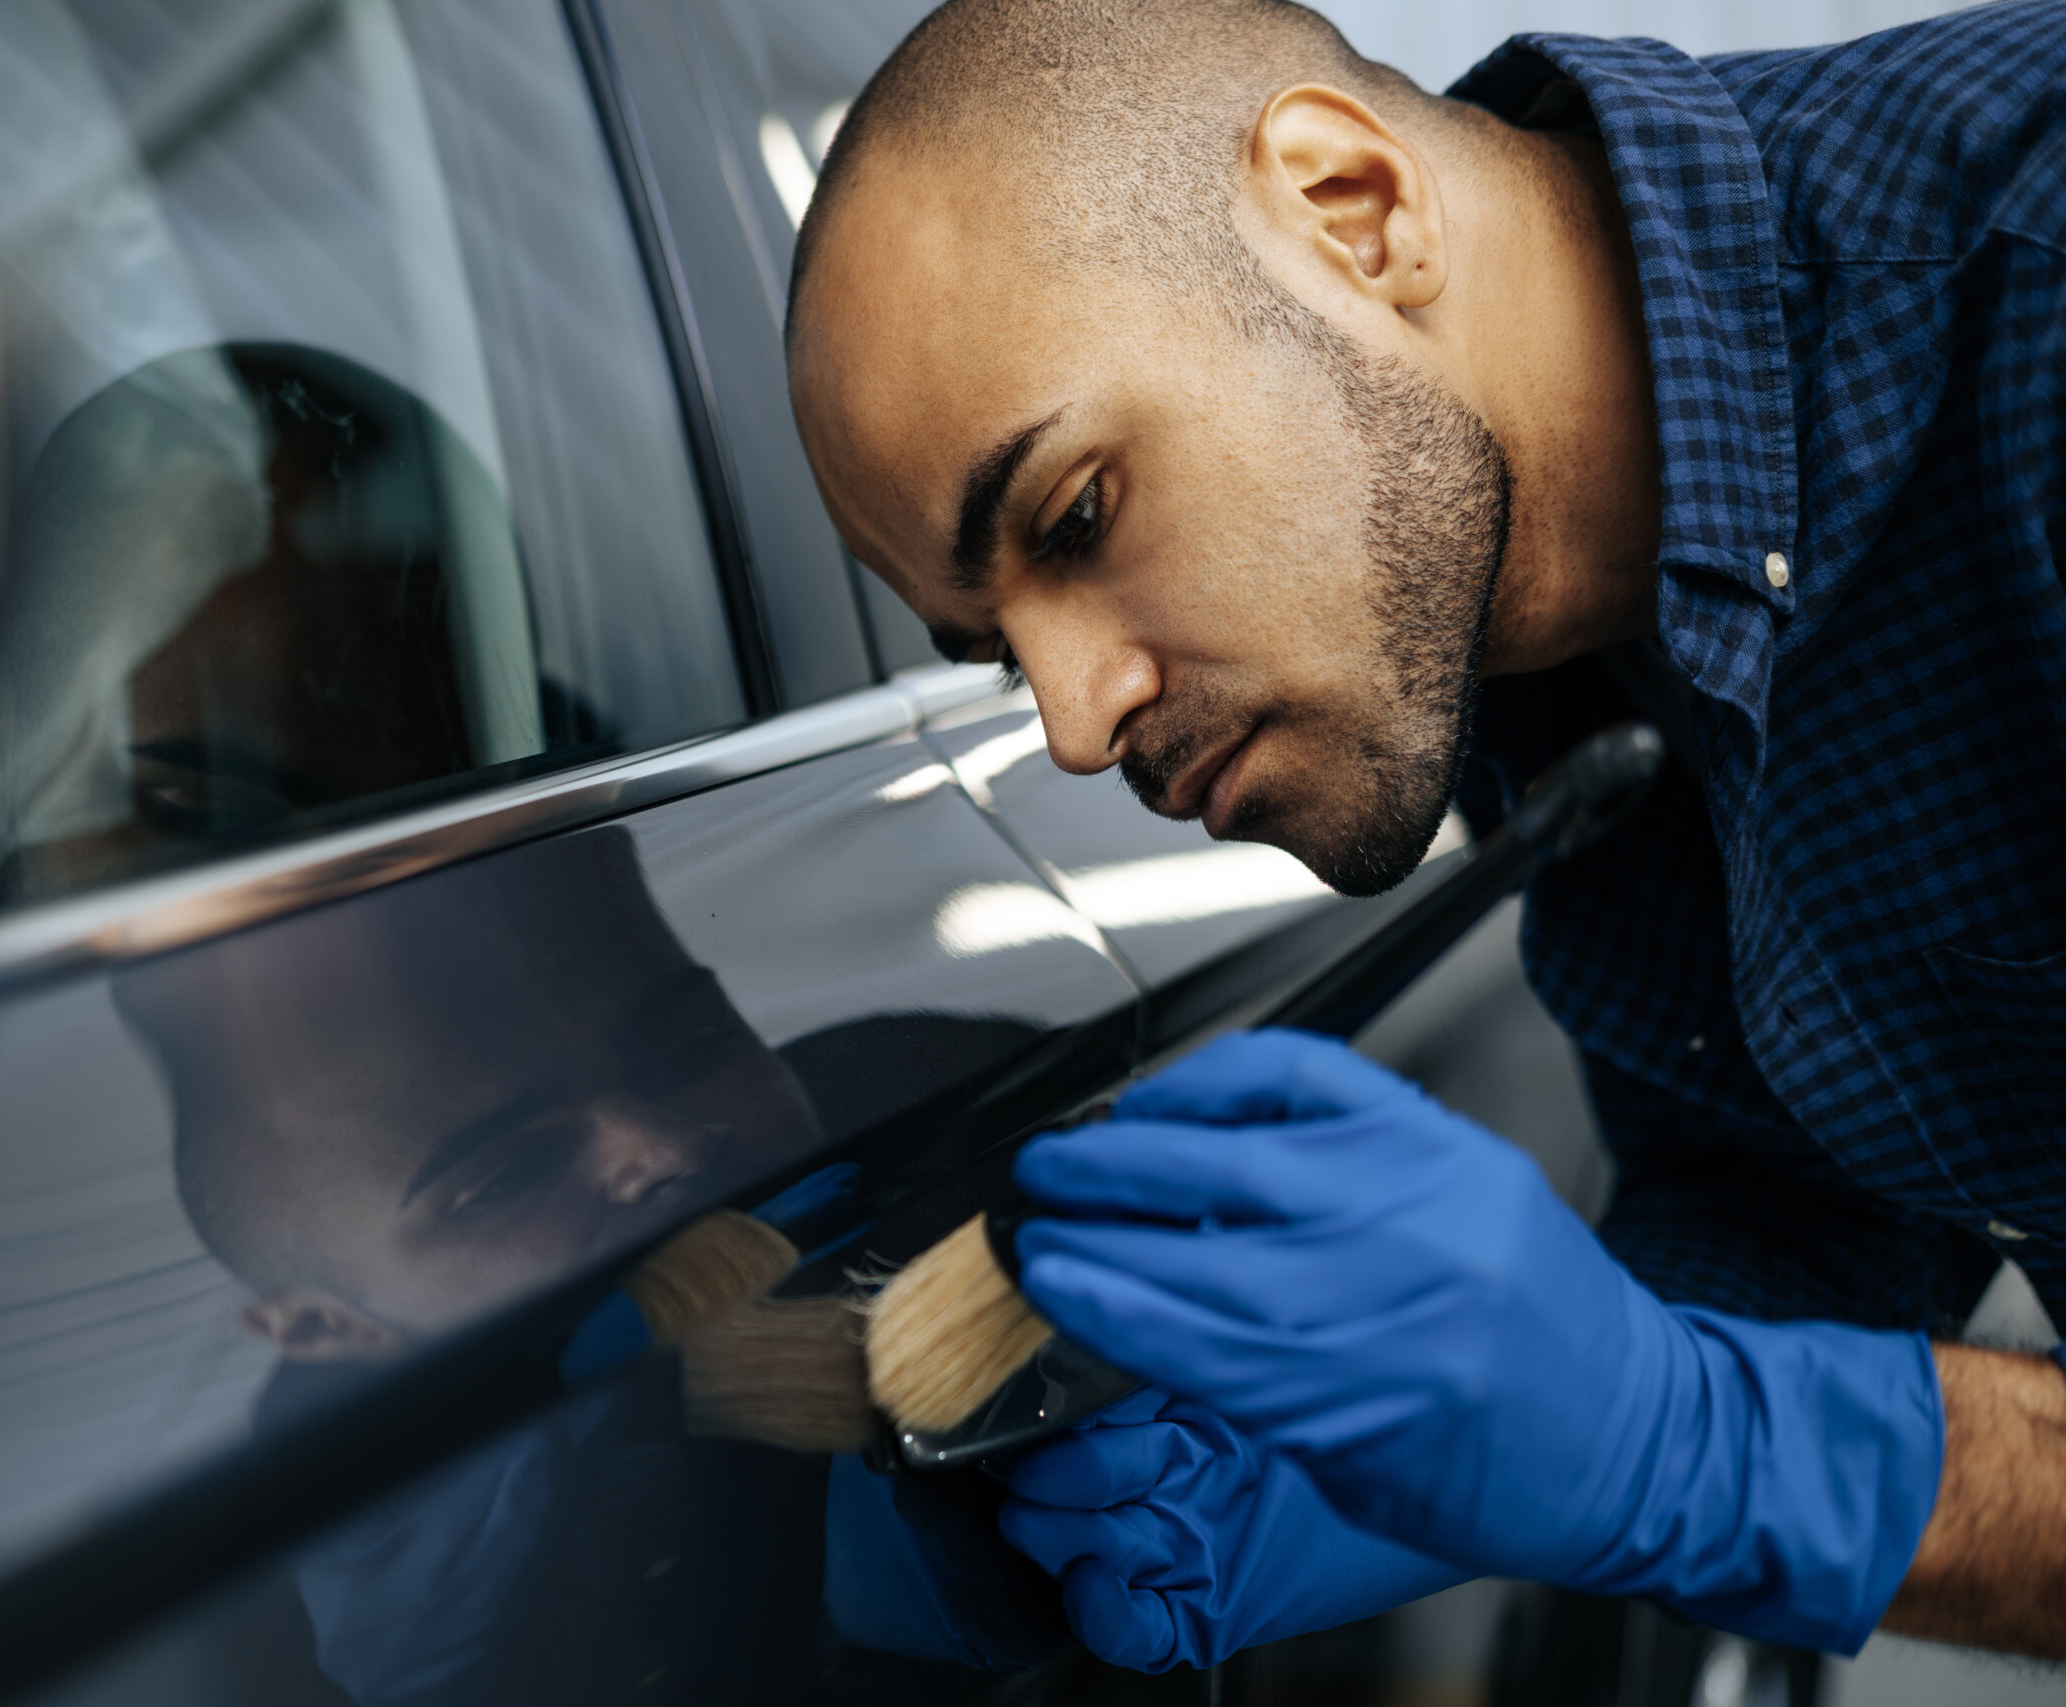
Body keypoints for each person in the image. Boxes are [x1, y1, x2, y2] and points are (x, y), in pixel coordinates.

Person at [783, 0, 2066, 1673]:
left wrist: (1712, 1455)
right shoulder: (1523, 645)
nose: (1075, 724)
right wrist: (1377, 1480)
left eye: (1078, 516)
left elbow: (1721, 1423)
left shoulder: (2035, 302)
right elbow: (1797, 1210)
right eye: (994, 653)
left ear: (1352, 212)